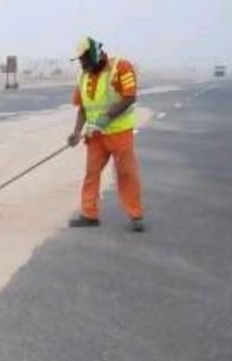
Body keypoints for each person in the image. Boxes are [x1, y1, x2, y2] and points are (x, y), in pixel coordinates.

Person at [67, 36, 145, 232]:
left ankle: (135, 215)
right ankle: (89, 214)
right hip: (96, 136)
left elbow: (129, 97)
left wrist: (106, 118)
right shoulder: (83, 76)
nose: (82, 64)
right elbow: (83, 108)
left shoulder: (121, 67)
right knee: (91, 174)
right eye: (80, 61)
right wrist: (76, 133)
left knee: (126, 173)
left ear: (94, 54)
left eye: (84, 59)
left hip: (119, 133)